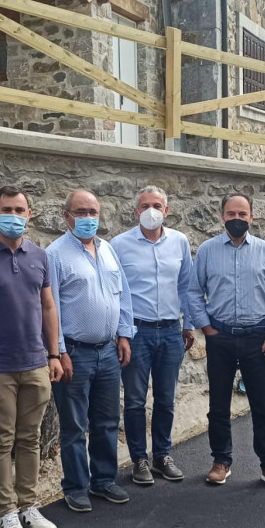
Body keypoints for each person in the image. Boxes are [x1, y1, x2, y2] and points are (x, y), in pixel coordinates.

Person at [0, 185, 63, 528]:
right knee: (1, 438)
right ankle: (6, 512)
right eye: (7, 208)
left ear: (29, 214)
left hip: (35, 362)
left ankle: (29, 505)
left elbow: (48, 307)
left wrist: (53, 354)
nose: (14, 215)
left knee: (31, 437)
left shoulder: (39, 255)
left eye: (20, 209)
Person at [186, 192, 265, 491]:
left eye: (242, 214)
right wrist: (206, 327)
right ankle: (221, 461)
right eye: (231, 214)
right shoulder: (207, 250)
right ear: (222, 217)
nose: (236, 219)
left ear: (251, 217)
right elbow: (194, 291)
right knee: (218, 405)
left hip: (256, 338)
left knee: (262, 406)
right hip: (220, 337)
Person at [47, 189, 134, 512]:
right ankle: (75, 486)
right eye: (81, 212)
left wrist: (124, 333)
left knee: (108, 420)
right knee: (73, 425)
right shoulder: (54, 254)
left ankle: (103, 480)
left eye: (93, 212)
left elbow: (122, 295)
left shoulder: (108, 249)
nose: (88, 218)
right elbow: (49, 306)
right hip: (75, 352)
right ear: (67, 216)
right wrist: (58, 351)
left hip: (108, 351)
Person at [111, 186, 194, 485]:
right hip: (137, 332)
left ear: (166, 210)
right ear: (135, 212)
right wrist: (122, 332)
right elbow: (116, 291)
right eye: (144, 205)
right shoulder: (119, 245)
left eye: (156, 204)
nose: (150, 210)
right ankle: (139, 459)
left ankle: (161, 455)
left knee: (166, 398)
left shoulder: (180, 242)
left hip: (171, 331)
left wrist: (190, 324)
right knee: (134, 400)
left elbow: (187, 286)